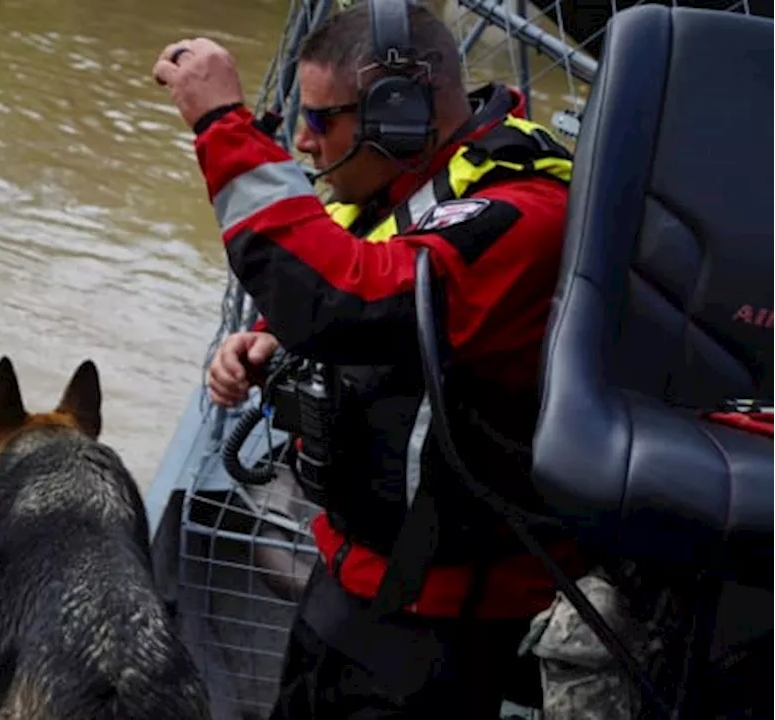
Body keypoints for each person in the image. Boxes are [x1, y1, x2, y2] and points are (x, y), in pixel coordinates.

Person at [155, 3, 585, 717]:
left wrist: (224, 128)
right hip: (352, 578)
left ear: (401, 116)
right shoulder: (408, 190)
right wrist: (271, 336)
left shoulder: (523, 214)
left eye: (322, 120)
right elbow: (348, 273)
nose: (302, 140)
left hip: (442, 623)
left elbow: (354, 299)